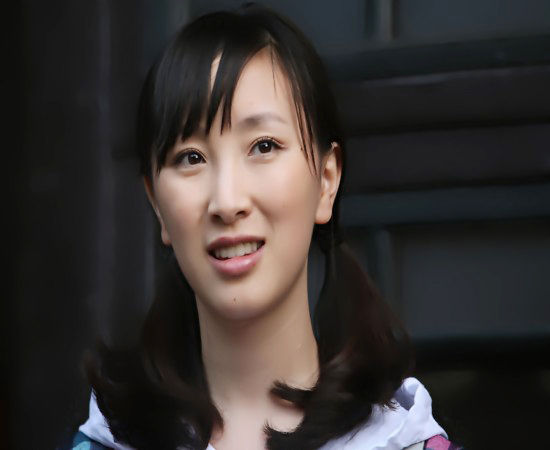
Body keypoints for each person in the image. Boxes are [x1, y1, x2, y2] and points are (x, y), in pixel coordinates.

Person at [73, 4, 461, 450]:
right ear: (157, 204)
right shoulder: (108, 441)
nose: (227, 202)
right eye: (191, 157)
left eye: (263, 146)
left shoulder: (401, 441)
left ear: (327, 181)